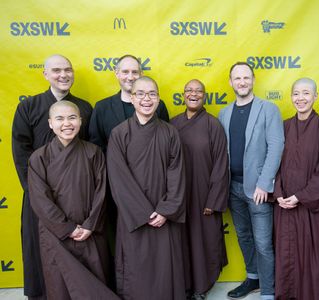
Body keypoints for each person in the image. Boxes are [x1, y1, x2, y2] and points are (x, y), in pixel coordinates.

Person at [12, 54, 92, 299]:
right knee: (40, 248)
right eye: (56, 70)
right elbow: (21, 150)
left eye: (68, 69)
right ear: (45, 74)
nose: (63, 75)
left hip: (76, 194)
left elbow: (89, 151)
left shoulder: (85, 108)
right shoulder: (29, 107)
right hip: (40, 196)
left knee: (78, 247)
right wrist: (37, 194)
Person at [27, 101, 118, 300]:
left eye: (72, 118)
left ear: (80, 121)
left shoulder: (93, 152)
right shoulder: (38, 158)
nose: (67, 123)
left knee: (95, 284)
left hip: (90, 231)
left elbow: (102, 193)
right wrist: (68, 228)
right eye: (60, 118)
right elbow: (40, 200)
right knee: (61, 286)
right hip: (56, 234)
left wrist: (89, 225)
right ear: (50, 123)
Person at [107, 76, 186, 299]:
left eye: (152, 94)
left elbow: (177, 173)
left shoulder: (170, 132)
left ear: (159, 99)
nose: (146, 99)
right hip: (134, 216)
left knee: (164, 268)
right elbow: (118, 178)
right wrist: (144, 213)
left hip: (164, 214)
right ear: (132, 98)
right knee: (136, 267)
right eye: (140, 94)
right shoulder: (119, 133)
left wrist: (165, 210)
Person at [218, 62, 284, 300]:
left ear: (253, 80)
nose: (242, 82)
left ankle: (268, 290)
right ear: (230, 82)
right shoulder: (224, 113)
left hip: (257, 189)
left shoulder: (268, 109)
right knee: (244, 236)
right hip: (233, 187)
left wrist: (264, 184)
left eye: (246, 77)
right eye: (237, 78)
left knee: (264, 243)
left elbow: (276, 146)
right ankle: (252, 277)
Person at [273, 78, 319, 300]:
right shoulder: (284, 126)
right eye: (296, 94)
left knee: (310, 255)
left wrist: (300, 197)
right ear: (291, 97)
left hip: (310, 207)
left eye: (306, 93)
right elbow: (275, 164)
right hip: (283, 206)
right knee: (285, 252)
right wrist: (279, 193)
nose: (301, 98)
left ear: (315, 97)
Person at [171, 79, 229, 300]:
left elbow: (221, 165)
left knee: (203, 241)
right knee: (181, 242)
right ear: (183, 95)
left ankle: (201, 288)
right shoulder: (173, 123)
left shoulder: (213, 125)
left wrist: (213, 201)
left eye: (198, 91)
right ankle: (183, 285)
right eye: (189, 90)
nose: (193, 94)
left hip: (204, 196)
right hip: (178, 196)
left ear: (204, 96)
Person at [89, 54, 169, 153]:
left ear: (141, 74)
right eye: (125, 72)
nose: (130, 77)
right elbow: (96, 147)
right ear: (117, 74)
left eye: (135, 72)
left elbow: (165, 140)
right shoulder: (102, 107)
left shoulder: (158, 105)